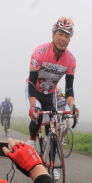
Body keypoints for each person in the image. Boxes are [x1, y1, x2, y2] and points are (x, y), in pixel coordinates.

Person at [25, 17, 80, 172]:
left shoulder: (71, 60)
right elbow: (31, 82)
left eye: (67, 35)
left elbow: (69, 88)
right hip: (34, 90)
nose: (63, 38)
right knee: (38, 115)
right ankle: (32, 141)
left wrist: (72, 106)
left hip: (50, 93)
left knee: (53, 128)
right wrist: (33, 107)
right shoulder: (39, 52)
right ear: (53, 34)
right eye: (60, 34)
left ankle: (52, 164)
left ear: (70, 39)